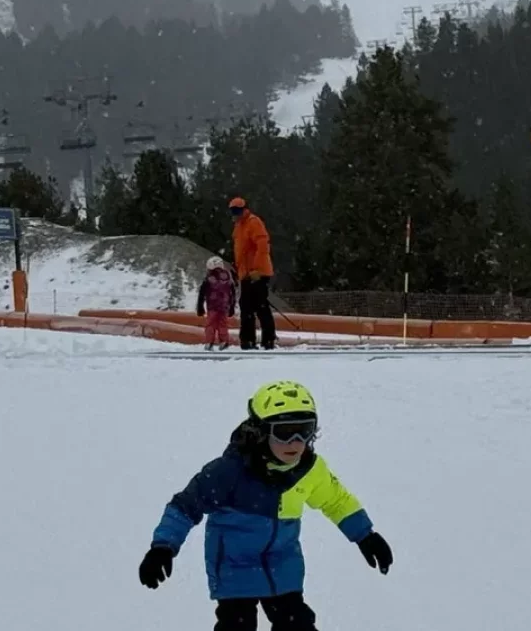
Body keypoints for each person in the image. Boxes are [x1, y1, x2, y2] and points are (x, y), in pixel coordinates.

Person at [138, 381, 393, 631]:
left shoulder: (310, 470)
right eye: (284, 432)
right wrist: (163, 547)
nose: (295, 442)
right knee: (237, 624)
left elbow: (336, 500)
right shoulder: (229, 472)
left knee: (297, 624)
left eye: (304, 431)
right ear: (260, 433)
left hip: (282, 564)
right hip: (234, 568)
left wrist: (365, 535)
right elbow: (185, 506)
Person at [228, 198, 276, 350]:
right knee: (247, 306)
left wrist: (257, 269)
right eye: (233, 211)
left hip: (257, 273)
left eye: (238, 211)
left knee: (260, 306)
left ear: (244, 209)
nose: (235, 214)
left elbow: (262, 247)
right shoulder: (238, 226)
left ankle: (267, 340)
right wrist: (238, 269)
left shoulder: (254, 222)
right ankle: (248, 340)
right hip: (246, 274)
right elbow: (241, 251)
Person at [196, 256, 236, 350]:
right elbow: (232, 293)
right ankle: (224, 341)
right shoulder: (228, 277)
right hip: (224, 306)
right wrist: (232, 306)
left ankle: (209, 342)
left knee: (211, 324)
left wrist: (200, 306)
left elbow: (202, 293)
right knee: (223, 324)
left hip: (212, 306)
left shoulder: (209, 278)